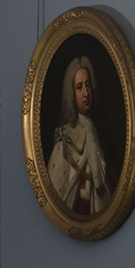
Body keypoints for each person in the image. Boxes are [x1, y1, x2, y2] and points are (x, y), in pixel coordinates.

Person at [46, 54, 112, 219]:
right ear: (71, 94)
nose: (86, 93)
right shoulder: (64, 141)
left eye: (88, 85)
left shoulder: (95, 130)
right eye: (79, 87)